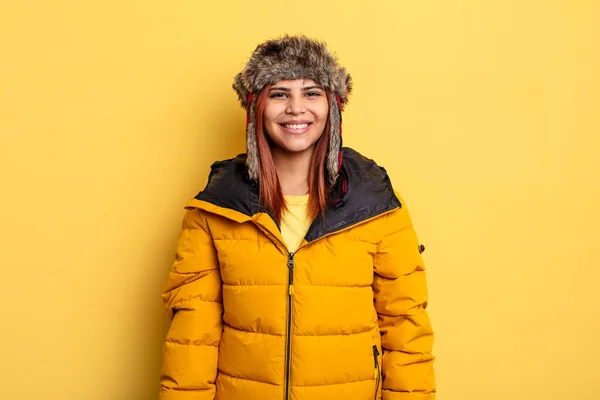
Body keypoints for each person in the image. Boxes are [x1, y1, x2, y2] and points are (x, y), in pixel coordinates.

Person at [159, 35, 435, 400]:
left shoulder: (377, 204)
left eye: (311, 93)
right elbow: (192, 338)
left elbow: (406, 327)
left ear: (332, 106)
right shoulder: (216, 207)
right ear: (256, 108)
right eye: (279, 94)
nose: (295, 108)